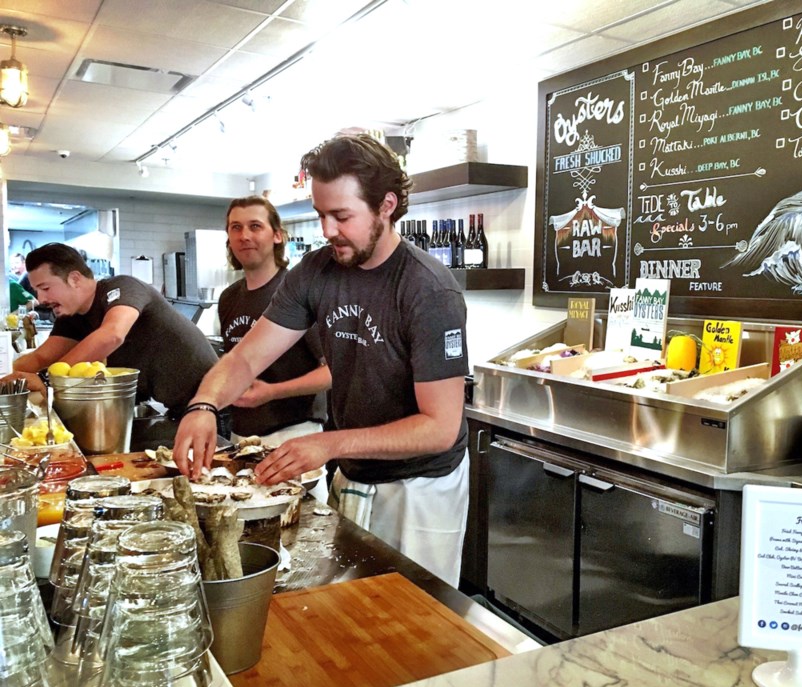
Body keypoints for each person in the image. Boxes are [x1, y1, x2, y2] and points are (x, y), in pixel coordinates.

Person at [175, 133, 470, 586]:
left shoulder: (428, 290)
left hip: (421, 489)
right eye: (320, 214)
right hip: (351, 473)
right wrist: (204, 405)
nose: (328, 230)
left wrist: (328, 444)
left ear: (386, 206)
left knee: (416, 624)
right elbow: (245, 358)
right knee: (351, 611)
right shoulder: (316, 272)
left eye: (342, 216)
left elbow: (439, 426)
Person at [9, 243, 219, 421]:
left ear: (74, 279)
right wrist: (5, 374)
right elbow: (40, 357)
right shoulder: (71, 317)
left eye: (45, 288)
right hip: (178, 407)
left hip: (215, 401)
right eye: (36, 290)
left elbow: (112, 334)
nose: (41, 299)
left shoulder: (122, 287)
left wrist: (47, 380)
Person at [219, 195, 330, 491]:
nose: (245, 236)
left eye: (255, 226)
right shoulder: (229, 297)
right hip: (240, 440)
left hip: (293, 438)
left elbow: (333, 372)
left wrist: (272, 392)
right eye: (236, 227)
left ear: (277, 235)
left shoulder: (299, 293)